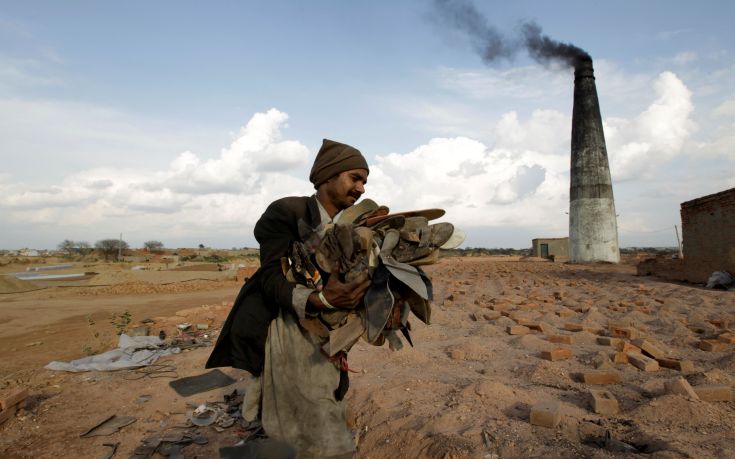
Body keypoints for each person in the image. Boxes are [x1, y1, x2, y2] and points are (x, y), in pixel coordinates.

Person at [207, 139, 372, 458]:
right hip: (289, 333)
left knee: (325, 407)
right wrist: (321, 299)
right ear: (328, 176)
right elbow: (270, 279)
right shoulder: (287, 211)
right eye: (355, 178)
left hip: (330, 340)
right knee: (315, 427)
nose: (361, 189)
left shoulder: (356, 225)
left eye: (364, 181)